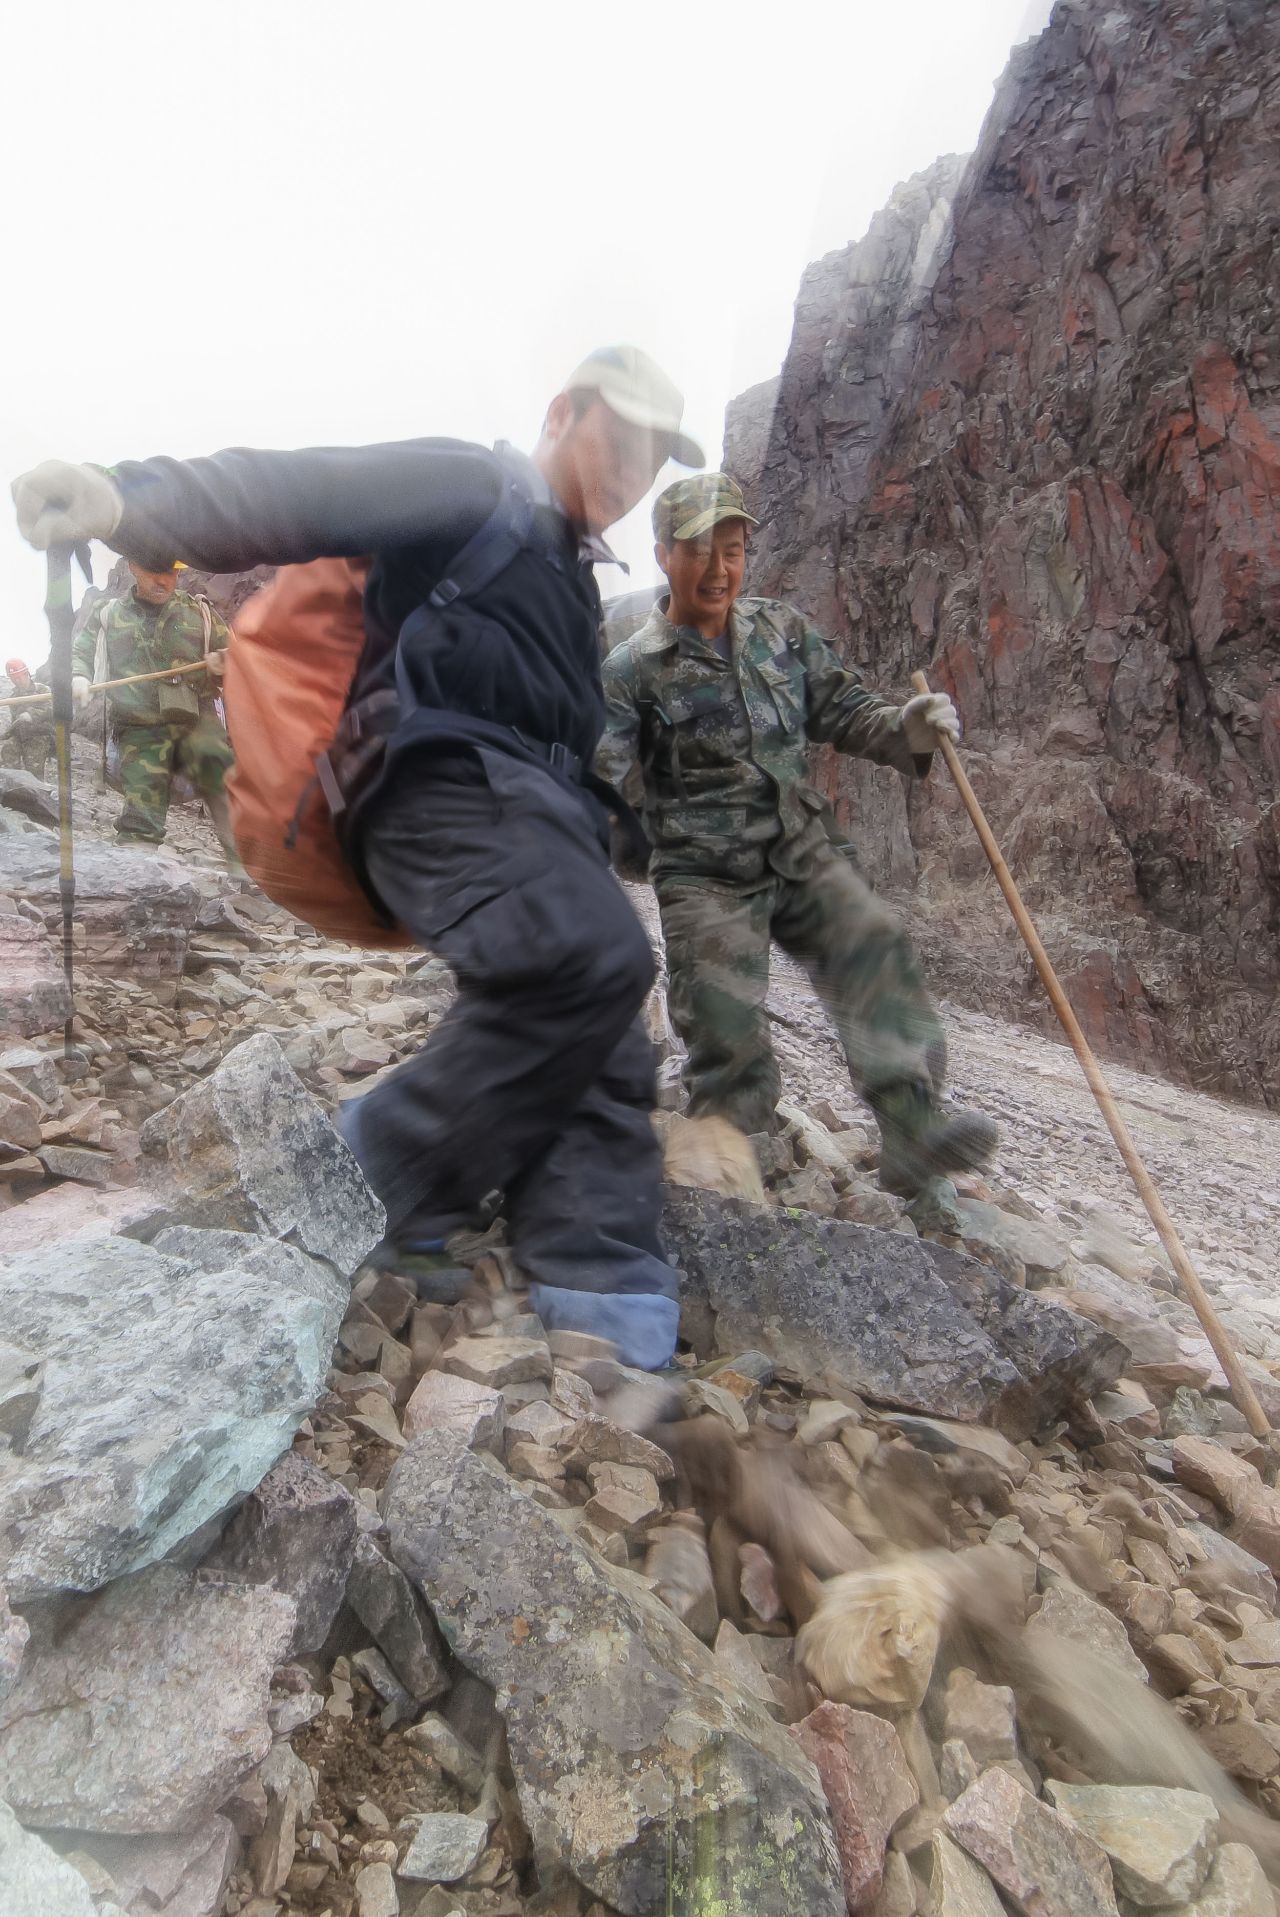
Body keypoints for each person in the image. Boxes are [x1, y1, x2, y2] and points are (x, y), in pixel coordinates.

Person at [11, 345, 704, 1369]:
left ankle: (600, 1290)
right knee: (588, 958)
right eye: (623, 436)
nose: (633, 468)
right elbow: (308, 490)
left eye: (655, 455)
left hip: (537, 821)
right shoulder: (480, 484)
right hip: (440, 789)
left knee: (600, 1038)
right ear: (561, 413)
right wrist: (128, 498)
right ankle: (354, 1174)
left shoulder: (571, 578)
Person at [598, 471, 997, 1198]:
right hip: (703, 872)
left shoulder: (781, 632)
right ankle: (730, 1175)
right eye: (700, 551)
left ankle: (910, 1129)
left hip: (799, 846)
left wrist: (905, 725)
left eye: (734, 549)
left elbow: (845, 710)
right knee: (724, 1032)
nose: (719, 569)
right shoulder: (632, 672)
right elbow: (602, 780)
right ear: (663, 555)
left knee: (870, 940)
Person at [70, 562, 240, 863]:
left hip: (198, 721)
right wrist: (79, 676)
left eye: (172, 573)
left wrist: (225, 662)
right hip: (138, 726)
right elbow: (81, 651)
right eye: (154, 571)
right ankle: (139, 873)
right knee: (142, 803)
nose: (164, 581)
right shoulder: (109, 613)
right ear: (134, 567)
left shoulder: (198, 611)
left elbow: (238, 656)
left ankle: (253, 871)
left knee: (225, 782)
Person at [0, 658, 54, 781]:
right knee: (8, 750)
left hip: (39, 735)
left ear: (26, 674)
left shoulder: (42, 690)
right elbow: (15, 721)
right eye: (14, 679)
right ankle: (13, 788)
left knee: (34, 773)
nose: (17, 681)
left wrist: (31, 714)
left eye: (19, 677)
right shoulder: (13, 697)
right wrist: (6, 734)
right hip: (20, 736)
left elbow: (51, 710)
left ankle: (37, 793)